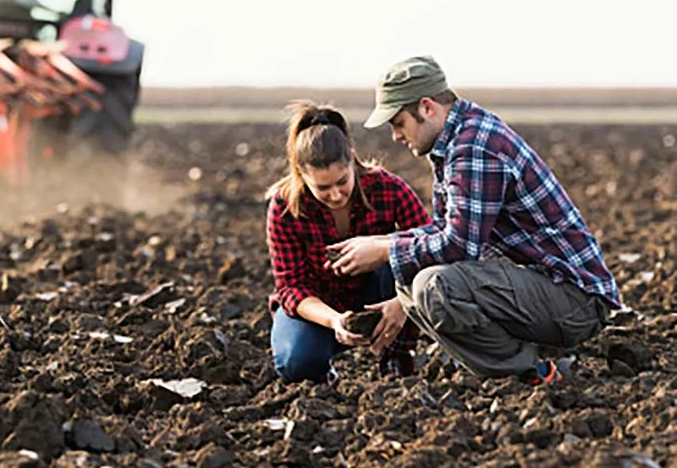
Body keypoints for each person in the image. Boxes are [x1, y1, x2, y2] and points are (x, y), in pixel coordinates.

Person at [331, 55, 621, 386]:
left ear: (427, 108)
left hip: (576, 301)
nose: (396, 136)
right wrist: (384, 246)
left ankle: (535, 372)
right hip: (542, 288)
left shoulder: (473, 147)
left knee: (432, 287)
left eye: (398, 123)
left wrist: (384, 252)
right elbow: (447, 229)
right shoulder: (454, 140)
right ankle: (524, 357)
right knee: (412, 278)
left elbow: (458, 246)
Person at [265, 101, 432, 383]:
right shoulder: (284, 207)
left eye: (342, 181)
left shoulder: (388, 189)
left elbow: (432, 246)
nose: (336, 195)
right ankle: (322, 374)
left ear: (352, 159)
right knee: (297, 363)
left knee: (403, 255)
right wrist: (334, 321)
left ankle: (396, 359)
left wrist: (402, 303)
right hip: (319, 304)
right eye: (323, 188)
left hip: (379, 293)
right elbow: (290, 286)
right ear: (301, 174)